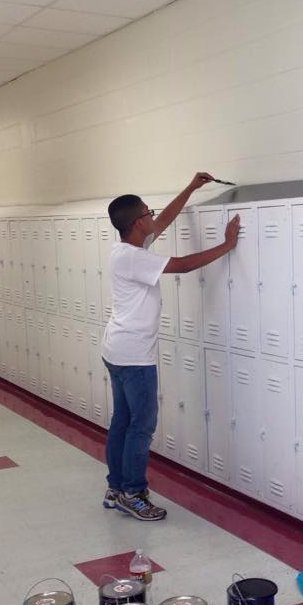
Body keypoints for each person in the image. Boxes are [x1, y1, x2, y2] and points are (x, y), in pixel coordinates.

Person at [101, 172, 240, 521]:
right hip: (134, 356)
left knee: (122, 421)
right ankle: (133, 493)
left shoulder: (126, 248)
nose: (153, 217)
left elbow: (163, 221)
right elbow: (181, 265)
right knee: (141, 426)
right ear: (136, 223)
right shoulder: (134, 258)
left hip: (117, 349)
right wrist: (227, 245)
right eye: (147, 213)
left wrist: (192, 188)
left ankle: (116, 487)